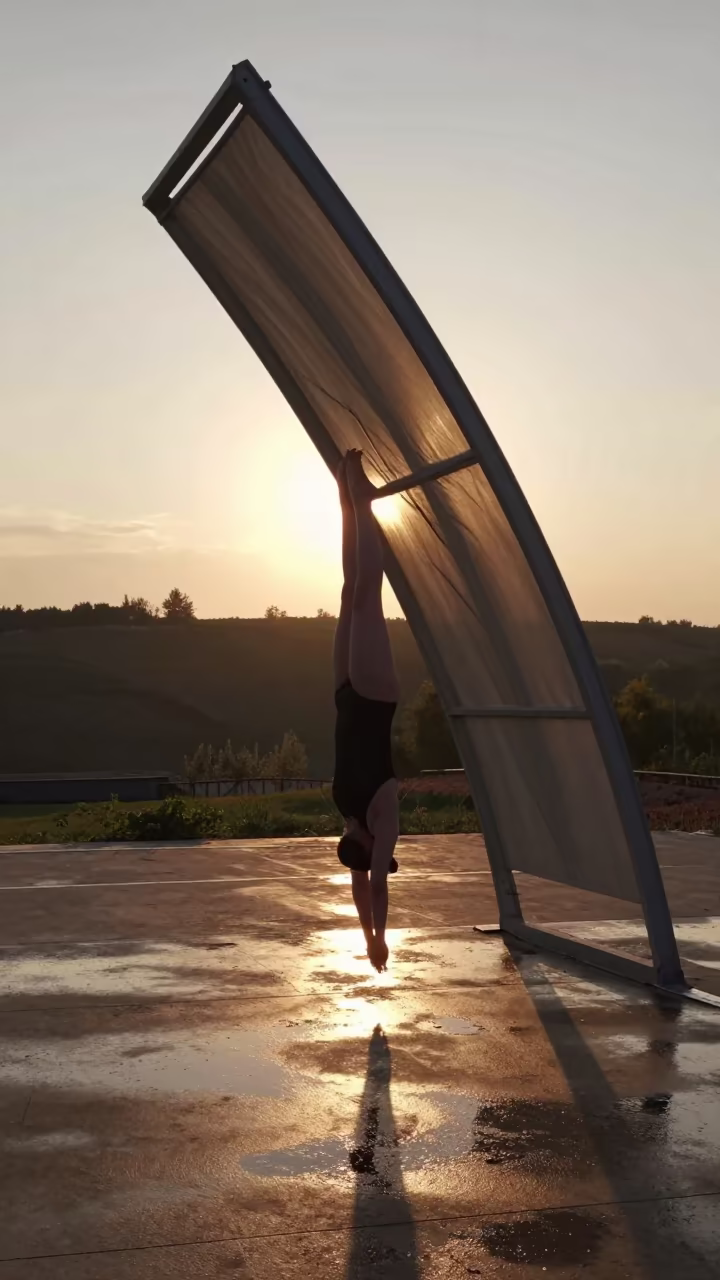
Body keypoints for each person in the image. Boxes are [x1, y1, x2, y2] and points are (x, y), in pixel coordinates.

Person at [332, 449, 400, 973]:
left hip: (346, 697)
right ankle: (364, 501)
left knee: (347, 591)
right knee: (365, 598)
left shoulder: (354, 817)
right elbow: (374, 883)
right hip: (375, 698)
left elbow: (365, 883)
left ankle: (344, 498)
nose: (381, 854)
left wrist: (366, 936)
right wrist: (379, 939)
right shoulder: (383, 815)